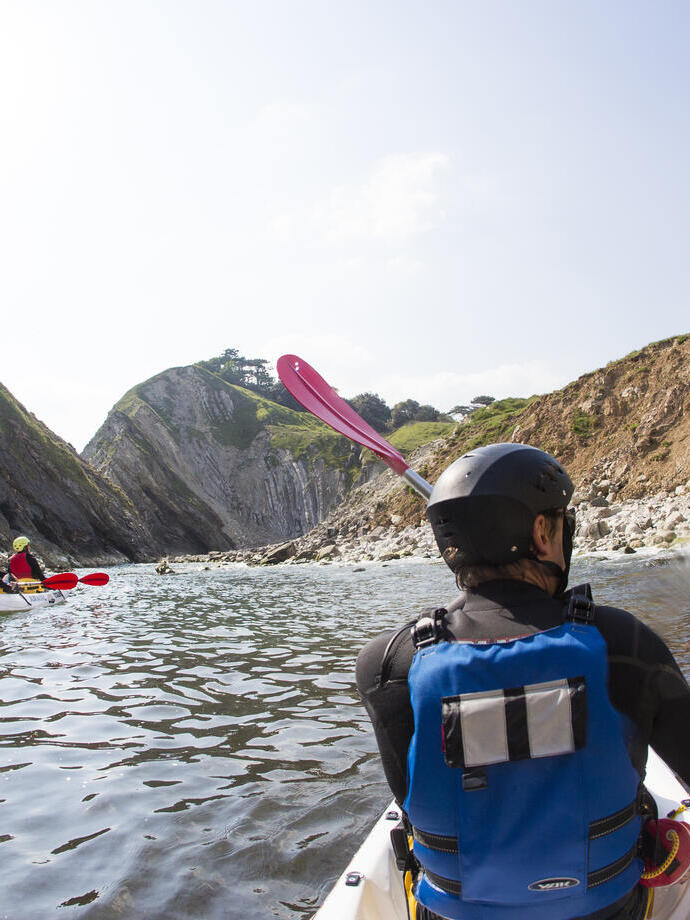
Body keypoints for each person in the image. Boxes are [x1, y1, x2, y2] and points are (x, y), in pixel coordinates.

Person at [356, 443, 690, 920]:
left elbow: (407, 795)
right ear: (541, 531)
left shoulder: (387, 663)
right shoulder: (625, 643)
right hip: (606, 907)